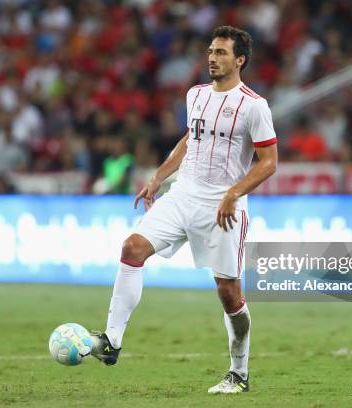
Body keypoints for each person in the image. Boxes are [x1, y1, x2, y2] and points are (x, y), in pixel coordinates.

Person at [89, 26, 278, 394]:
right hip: (183, 195)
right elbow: (191, 138)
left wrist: (234, 193)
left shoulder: (254, 106)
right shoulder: (195, 96)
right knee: (132, 248)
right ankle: (112, 341)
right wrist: (159, 176)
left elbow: (269, 162)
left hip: (224, 207)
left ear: (239, 60)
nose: (212, 57)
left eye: (221, 52)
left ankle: (238, 372)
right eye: (210, 51)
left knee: (229, 294)